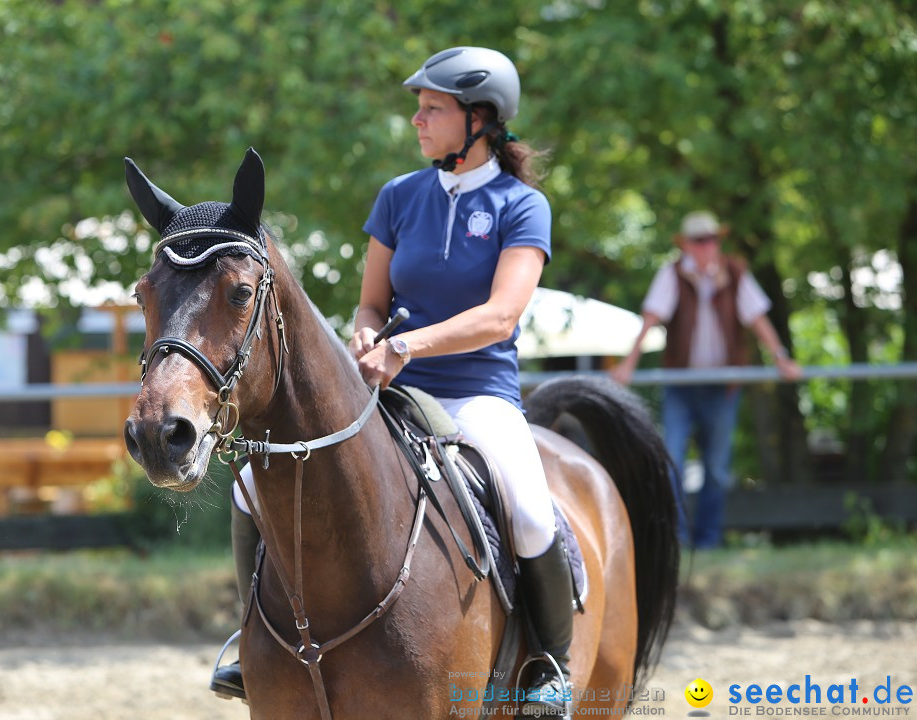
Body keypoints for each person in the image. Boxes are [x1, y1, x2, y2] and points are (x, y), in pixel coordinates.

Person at [212, 47, 576, 716]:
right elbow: (372, 302)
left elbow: (502, 315)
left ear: (479, 120)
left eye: (431, 109)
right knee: (245, 483)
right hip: (385, 387)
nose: (417, 120)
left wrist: (406, 344)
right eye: (419, 108)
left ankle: (552, 663)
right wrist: (365, 333)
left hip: (475, 393)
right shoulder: (399, 198)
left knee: (526, 502)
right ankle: (250, 639)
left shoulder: (521, 206)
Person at [609, 210, 802, 549]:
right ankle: (677, 541)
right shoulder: (672, 275)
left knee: (716, 468)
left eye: (711, 240)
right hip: (681, 388)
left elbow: (758, 320)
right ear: (686, 245)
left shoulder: (736, 275)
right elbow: (650, 319)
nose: (707, 247)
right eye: (699, 241)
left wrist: (781, 357)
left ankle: (710, 540)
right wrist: (628, 365)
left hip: (721, 388)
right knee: (673, 462)